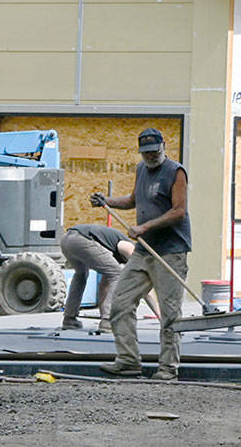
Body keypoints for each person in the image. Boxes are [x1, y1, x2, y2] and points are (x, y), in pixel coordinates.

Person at [90, 127, 191, 381]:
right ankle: (128, 361)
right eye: (145, 153)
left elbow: (179, 211)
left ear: (163, 147)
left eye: (154, 152)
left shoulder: (175, 172)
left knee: (170, 313)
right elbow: (134, 200)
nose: (150, 157)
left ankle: (168, 368)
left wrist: (145, 226)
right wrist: (108, 201)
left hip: (170, 252)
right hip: (144, 251)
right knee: (121, 303)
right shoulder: (141, 170)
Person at [59, 223, 160, 332]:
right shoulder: (132, 249)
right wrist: (161, 316)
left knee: (81, 274)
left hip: (66, 239)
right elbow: (145, 288)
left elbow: (104, 287)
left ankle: (69, 319)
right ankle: (108, 321)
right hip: (83, 239)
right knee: (117, 274)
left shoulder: (115, 255)